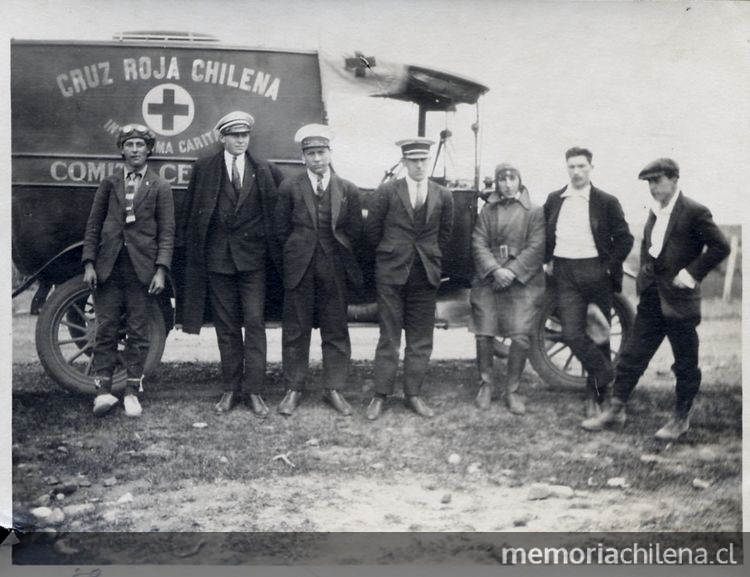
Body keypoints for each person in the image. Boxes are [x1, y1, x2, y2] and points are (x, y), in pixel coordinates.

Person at [582, 158, 730, 440]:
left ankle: (680, 418)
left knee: (685, 362)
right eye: (649, 182)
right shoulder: (655, 212)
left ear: (674, 179)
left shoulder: (695, 212)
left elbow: (720, 246)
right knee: (632, 355)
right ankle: (616, 409)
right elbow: (650, 248)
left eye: (657, 180)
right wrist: (644, 276)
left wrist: (691, 274)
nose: (652, 187)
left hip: (680, 300)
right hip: (652, 299)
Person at [179, 110, 283, 416]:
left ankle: (254, 392)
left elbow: (276, 215)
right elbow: (192, 212)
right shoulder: (205, 168)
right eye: (235, 135)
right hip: (217, 260)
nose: (240, 141)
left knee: (254, 323)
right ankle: (230, 390)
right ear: (221, 137)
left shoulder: (263, 169)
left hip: (253, 262)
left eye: (244, 135)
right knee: (226, 328)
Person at [82, 123, 175, 418]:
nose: (135, 150)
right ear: (121, 149)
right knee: (106, 328)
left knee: (137, 330)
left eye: (140, 144)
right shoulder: (109, 184)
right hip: (109, 267)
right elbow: (94, 225)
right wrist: (89, 263)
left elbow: (167, 232)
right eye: (129, 144)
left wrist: (160, 270)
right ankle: (103, 392)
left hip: (142, 269)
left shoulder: (160, 186)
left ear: (149, 150)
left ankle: (133, 392)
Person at [274, 124, 363, 416]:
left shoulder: (347, 188)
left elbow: (354, 231)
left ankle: (334, 389)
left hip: (334, 269)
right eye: (311, 153)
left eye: (321, 152)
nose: (316, 159)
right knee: (296, 331)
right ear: (303, 157)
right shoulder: (290, 187)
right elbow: (279, 231)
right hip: (300, 269)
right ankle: (293, 390)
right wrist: (292, 258)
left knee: (336, 330)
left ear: (330, 153)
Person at [364, 138, 454, 420]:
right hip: (391, 273)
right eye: (413, 160)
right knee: (389, 337)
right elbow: (372, 233)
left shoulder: (443, 195)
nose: (419, 165)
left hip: (425, 274)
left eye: (423, 160)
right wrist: (392, 254)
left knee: (420, 339)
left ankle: (413, 395)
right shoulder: (387, 192)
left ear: (429, 162)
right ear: (404, 162)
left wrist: (429, 259)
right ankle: (380, 396)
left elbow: (445, 235)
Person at [543, 147, 633, 417]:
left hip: (596, 273)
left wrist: (608, 268)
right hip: (565, 273)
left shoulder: (606, 201)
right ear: (566, 168)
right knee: (572, 334)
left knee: (600, 336)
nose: (576, 172)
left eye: (581, 166)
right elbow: (545, 233)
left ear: (591, 167)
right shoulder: (555, 199)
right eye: (571, 166)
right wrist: (547, 260)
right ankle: (607, 375)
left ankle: (597, 397)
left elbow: (625, 239)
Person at [470, 163, 546, 414]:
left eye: (512, 178)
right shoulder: (487, 212)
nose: (507, 183)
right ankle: (486, 385)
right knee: (484, 333)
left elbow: (536, 246)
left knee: (520, 335)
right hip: (490, 278)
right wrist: (495, 270)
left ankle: (512, 390)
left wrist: (512, 272)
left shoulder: (533, 211)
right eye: (502, 179)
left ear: (520, 181)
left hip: (522, 281)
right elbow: (478, 242)